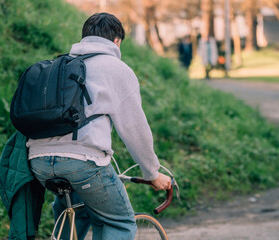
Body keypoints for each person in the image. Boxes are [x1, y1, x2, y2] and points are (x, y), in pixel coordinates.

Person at [26, 13, 171, 240]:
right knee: (120, 223)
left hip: (39, 161)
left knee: (78, 212)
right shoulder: (116, 69)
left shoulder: (59, 65)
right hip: (82, 163)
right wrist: (152, 172)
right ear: (116, 41)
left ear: (85, 38)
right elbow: (135, 128)